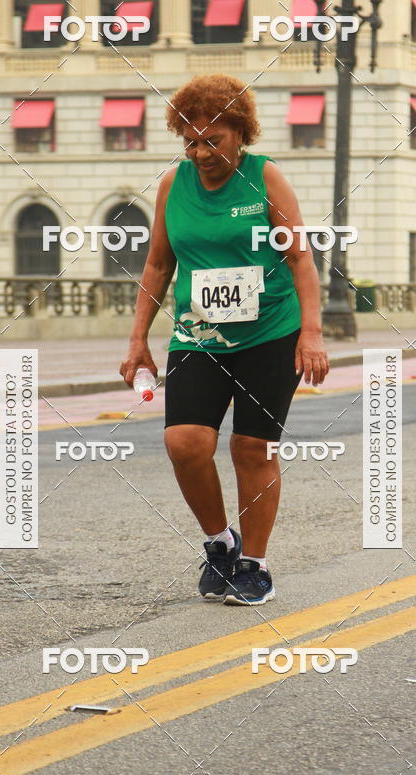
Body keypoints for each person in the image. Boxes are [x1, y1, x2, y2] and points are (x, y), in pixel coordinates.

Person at [120, 74, 329, 606]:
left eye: (212, 139)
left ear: (241, 132)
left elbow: (300, 259)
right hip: (198, 335)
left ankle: (254, 565)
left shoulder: (266, 178)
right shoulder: (174, 185)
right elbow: (159, 263)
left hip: (269, 334)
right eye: (190, 141)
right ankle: (220, 543)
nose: (200, 152)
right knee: (184, 443)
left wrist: (312, 332)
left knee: (251, 447)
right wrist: (137, 340)